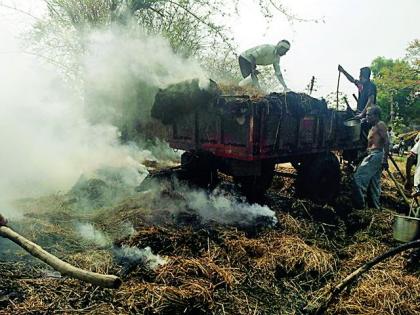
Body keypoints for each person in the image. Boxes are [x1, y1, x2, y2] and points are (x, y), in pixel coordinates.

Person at [352, 106, 389, 209]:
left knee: (358, 179)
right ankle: (375, 209)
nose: (366, 116)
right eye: (366, 114)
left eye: (369, 115)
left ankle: (359, 208)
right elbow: (370, 146)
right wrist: (361, 156)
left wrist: (384, 159)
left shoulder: (380, 125)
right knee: (374, 185)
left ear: (376, 116)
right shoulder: (372, 127)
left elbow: (386, 142)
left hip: (377, 155)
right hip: (372, 154)